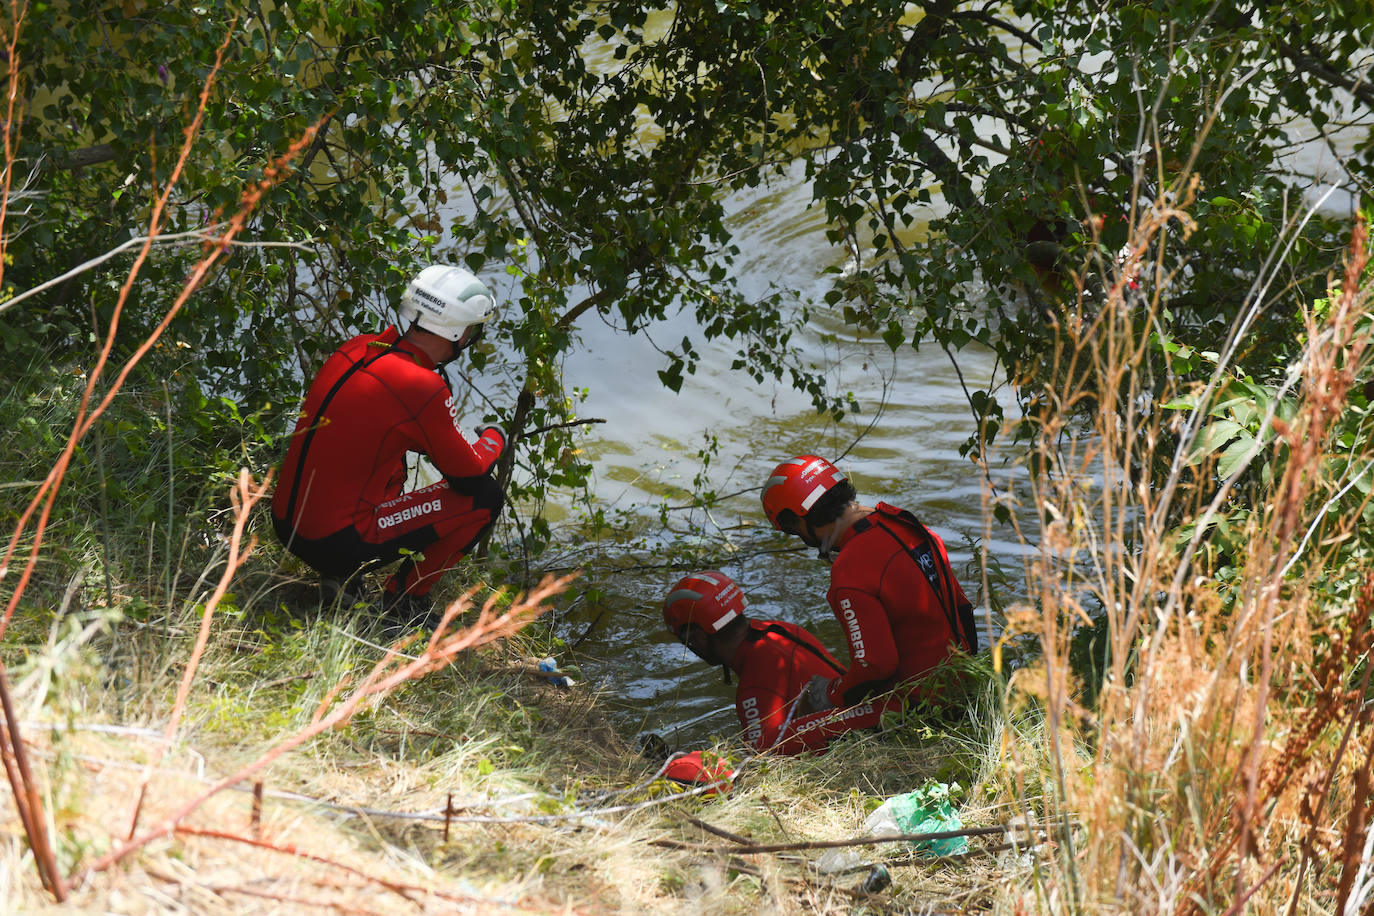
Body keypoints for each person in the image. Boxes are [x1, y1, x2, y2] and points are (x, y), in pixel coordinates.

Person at [271, 265, 506, 624]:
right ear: (460, 333)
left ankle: (343, 580)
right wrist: (494, 438)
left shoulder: (357, 346)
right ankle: (403, 603)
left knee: (391, 460)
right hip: (331, 543)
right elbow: (469, 477)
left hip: (286, 524)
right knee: (486, 497)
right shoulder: (422, 386)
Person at [760, 455, 978, 715]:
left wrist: (830, 693)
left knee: (790, 732)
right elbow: (963, 610)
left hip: (917, 706)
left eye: (792, 529)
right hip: (963, 687)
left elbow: (875, 665)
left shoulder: (850, 570)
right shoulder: (908, 525)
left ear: (798, 520)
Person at [662, 570, 884, 756]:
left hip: (861, 742)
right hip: (876, 715)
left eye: (686, 640)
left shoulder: (754, 685)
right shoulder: (780, 630)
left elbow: (761, 761)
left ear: (699, 638)